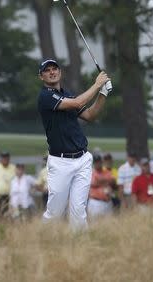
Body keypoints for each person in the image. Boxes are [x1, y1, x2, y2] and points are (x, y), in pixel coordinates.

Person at [37, 59, 111, 230]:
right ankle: (42, 241)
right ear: (41, 76)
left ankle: (80, 248)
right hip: (60, 161)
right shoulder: (45, 96)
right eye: (47, 70)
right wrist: (97, 84)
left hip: (82, 159)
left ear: (60, 72)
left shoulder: (67, 94)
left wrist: (103, 94)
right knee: (55, 212)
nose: (52, 72)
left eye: (55, 69)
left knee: (79, 211)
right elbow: (78, 103)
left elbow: (90, 115)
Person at [87, 154, 116, 220]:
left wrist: (101, 181)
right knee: (94, 224)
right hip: (95, 202)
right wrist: (105, 181)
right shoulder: (91, 172)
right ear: (94, 164)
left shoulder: (107, 172)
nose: (98, 164)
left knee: (108, 224)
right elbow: (94, 183)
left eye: (99, 162)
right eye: (96, 162)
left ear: (101, 162)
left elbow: (112, 182)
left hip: (108, 202)